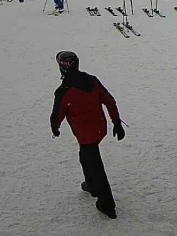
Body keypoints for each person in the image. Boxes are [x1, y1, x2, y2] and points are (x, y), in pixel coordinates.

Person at [50, 51, 124, 220]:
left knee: (95, 165)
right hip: (99, 129)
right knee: (85, 156)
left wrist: (55, 128)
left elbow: (57, 115)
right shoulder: (92, 81)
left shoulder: (64, 91)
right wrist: (116, 122)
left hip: (85, 134)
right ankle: (91, 184)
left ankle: (107, 204)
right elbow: (109, 101)